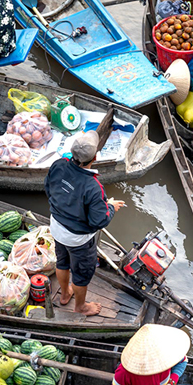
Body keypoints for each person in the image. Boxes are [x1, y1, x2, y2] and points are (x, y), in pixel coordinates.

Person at [44, 131, 126, 316]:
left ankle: (65, 294)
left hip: (56, 227)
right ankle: (81, 307)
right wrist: (110, 206)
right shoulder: (93, 186)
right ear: (95, 157)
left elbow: (49, 189)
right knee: (81, 274)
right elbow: (99, 220)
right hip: (78, 240)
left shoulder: (58, 165)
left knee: (62, 261)